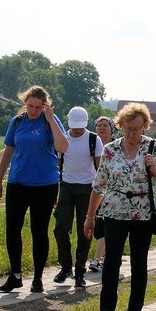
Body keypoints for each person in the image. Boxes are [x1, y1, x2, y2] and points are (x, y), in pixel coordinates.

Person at [85, 103, 156, 311]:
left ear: (145, 126)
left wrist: (154, 169)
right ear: (120, 125)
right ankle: (106, 310)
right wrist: (90, 217)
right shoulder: (110, 150)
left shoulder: (154, 147)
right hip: (114, 211)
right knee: (111, 261)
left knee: (138, 262)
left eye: (136, 128)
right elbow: (99, 185)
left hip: (142, 213)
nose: (132, 133)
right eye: (127, 128)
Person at [0, 86, 69, 294]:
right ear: (24, 103)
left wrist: (51, 119)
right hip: (18, 181)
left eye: (38, 107)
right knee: (12, 229)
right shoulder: (17, 121)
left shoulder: (50, 122)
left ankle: (37, 277)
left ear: (45, 106)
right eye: (30, 106)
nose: (34, 111)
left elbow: (63, 147)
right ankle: (15, 275)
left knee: (39, 230)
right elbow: (8, 151)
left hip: (45, 184)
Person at [53, 106, 103, 289]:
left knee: (85, 231)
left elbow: (100, 168)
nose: (77, 130)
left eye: (80, 126)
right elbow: (58, 165)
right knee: (60, 228)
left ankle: (80, 271)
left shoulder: (94, 140)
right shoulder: (62, 138)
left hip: (88, 189)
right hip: (66, 186)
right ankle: (66, 267)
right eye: (74, 126)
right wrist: (54, 192)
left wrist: (100, 193)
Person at [88, 116, 115, 273]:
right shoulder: (90, 145)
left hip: (113, 192)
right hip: (93, 190)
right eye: (99, 125)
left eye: (105, 125)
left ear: (112, 129)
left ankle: (98, 258)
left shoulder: (116, 147)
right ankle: (103, 256)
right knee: (99, 224)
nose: (102, 128)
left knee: (105, 224)